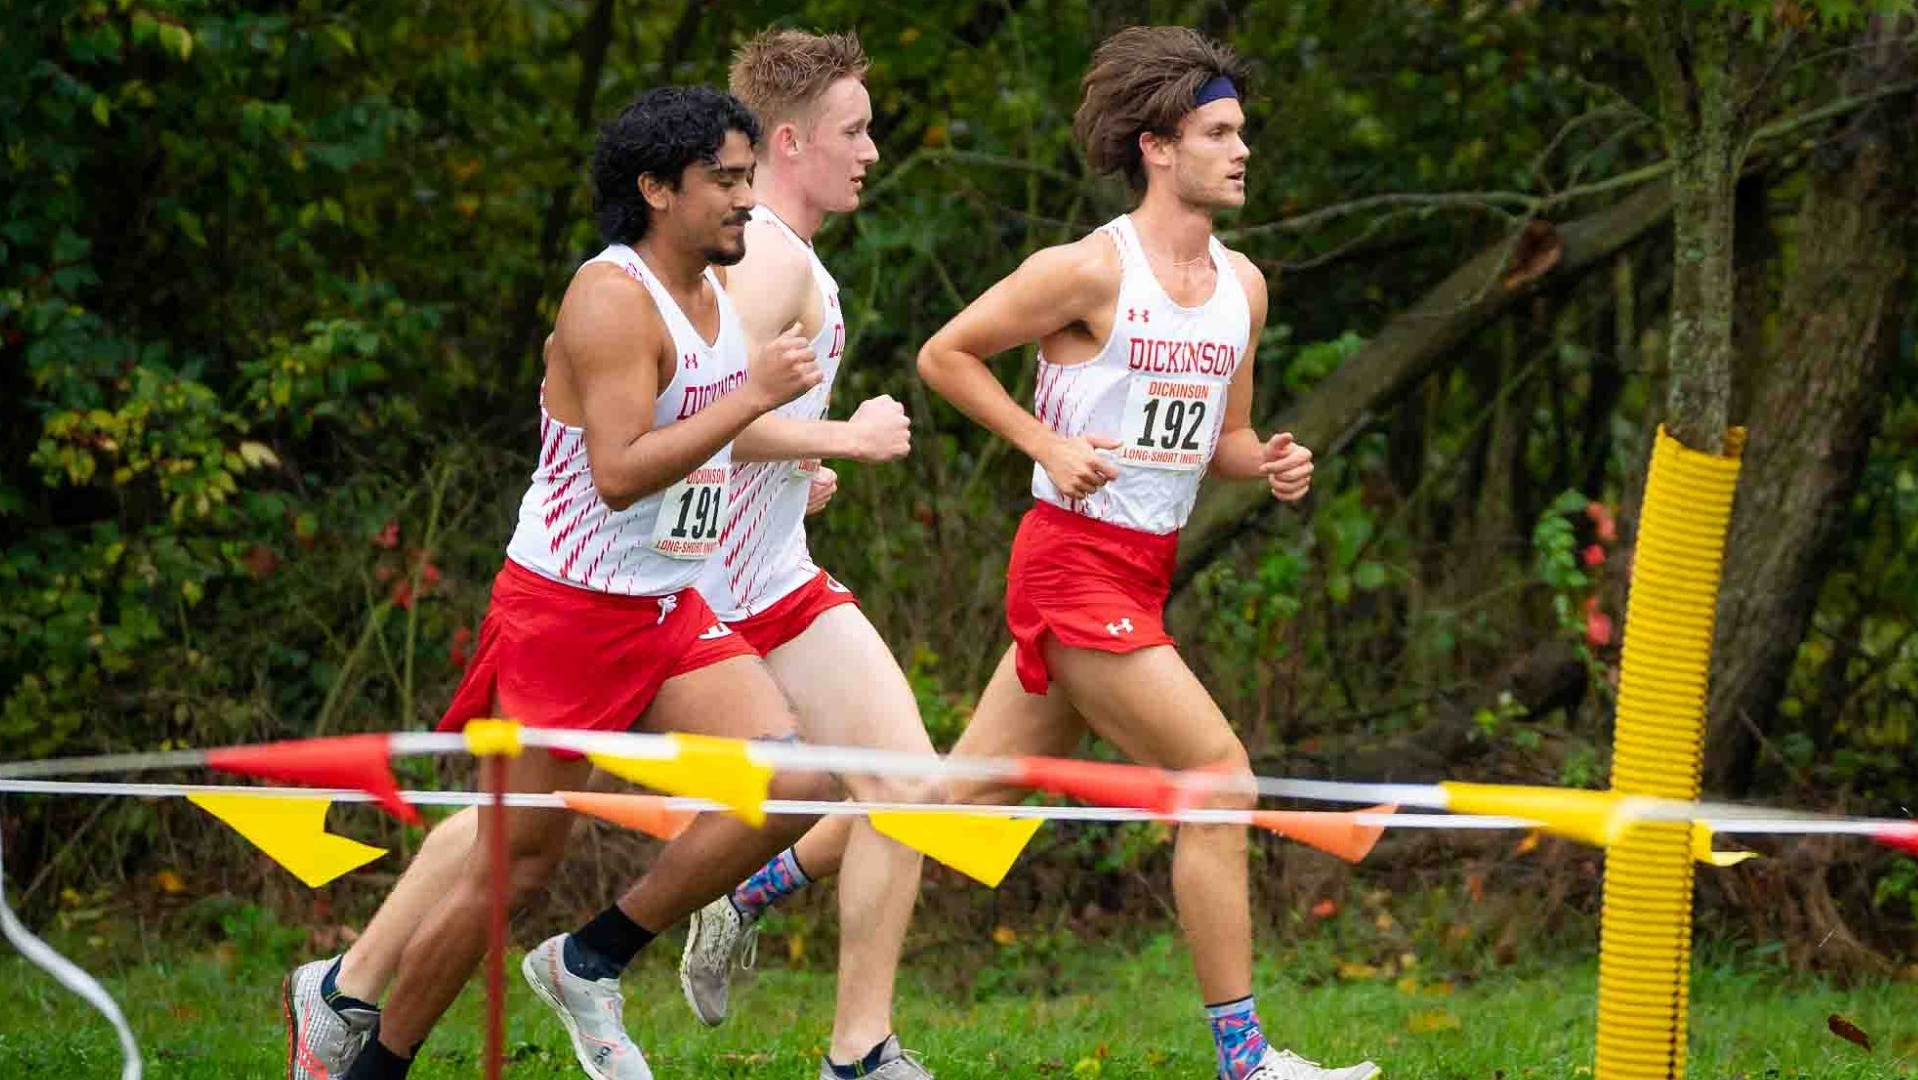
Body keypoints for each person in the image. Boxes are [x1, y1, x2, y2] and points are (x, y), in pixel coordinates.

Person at [686, 27, 1379, 1080]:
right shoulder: (1086, 268)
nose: (1243, 151)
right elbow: (945, 353)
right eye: (1219, 133)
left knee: (953, 794)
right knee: (1217, 779)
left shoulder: (1243, 287)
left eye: (1243, 132)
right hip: (1070, 568)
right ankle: (1247, 1061)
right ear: (1157, 147)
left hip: (1142, 569)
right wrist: (1044, 440)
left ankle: (746, 895)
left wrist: (1268, 461)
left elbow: (1222, 441)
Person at [286, 85, 842, 1080]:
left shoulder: (714, 290)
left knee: (792, 781)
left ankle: (592, 957)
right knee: (515, 864)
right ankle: (363, 1054)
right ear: (656, 188)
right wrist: (755, 397)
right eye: (723, 179)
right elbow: (622, 465)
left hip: (664, 607)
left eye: (749, 177)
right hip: (565, 615)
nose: (745, 200)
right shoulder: (609, 295)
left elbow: (701, 427)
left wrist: (787, 463)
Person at [532, 28, 941, 1080]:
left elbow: (732, 418)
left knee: (907, 786)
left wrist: (789, 469)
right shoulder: (767, 259)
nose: (872, 151)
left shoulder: (779, 258)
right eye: (855, 131)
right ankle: (578, 959)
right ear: (792, 141)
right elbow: (704, 407)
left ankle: (847, 1038)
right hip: (701, 593)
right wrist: (836, 435)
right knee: (510, 835)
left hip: (775, 572)